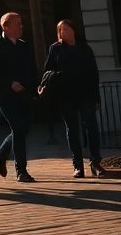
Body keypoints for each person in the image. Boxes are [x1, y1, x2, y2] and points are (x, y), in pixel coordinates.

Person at [43, 19, 104, 177]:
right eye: (62, 30)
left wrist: (96, 97)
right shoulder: (55, 49)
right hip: (66, 95)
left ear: (74, 30)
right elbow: (47, 71)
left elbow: (93, 74)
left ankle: (95, 163)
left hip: (86, 94)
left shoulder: (85, 48)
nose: (65, 32)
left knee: (91, 127)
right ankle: (77, 165)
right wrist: (57, 77)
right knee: (72, 129)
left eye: (67, 28)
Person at [0, 11, 38, 182]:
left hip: (24, 95)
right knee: (19, 128)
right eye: (17, 24)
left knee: (23, 128)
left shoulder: (24, 46)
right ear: (5, 27)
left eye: (21, 23)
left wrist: (36, 88)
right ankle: (21, 171)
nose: (21, 26)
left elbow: (32, 69)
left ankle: (1, 153)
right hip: (5, 97)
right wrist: (9, 83)